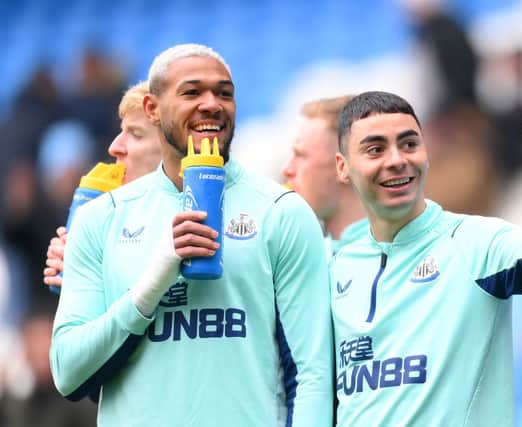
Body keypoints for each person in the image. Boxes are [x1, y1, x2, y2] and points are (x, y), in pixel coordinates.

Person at [49, 43, 333, 426]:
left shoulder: (282, 212)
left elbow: (312, 373)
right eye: (192, 92)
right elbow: (68, 372)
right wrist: (152, 284)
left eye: (225, 93)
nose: (212, 103)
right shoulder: (101, 219)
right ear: (153, 108)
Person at [329, 90, 522, 426]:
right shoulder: (337, 268)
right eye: (376, 149)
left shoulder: (473, 244)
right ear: (342, 167)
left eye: (409, 144)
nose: (397, 159)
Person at [43, 81, 163, 289]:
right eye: (121, 131)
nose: (114, 147)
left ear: (175, 146)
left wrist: (95, 270)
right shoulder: (111, 216)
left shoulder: (202, 221)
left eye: (135, 134)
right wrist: (81, 287)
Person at [282, 95, 367, 257]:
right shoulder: (310, 256)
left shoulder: (395, 258)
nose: (286, 170)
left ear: (343, 166)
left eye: (300, 155)